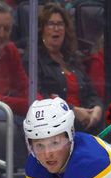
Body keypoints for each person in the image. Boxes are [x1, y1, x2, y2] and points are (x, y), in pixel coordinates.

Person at [37, 3, 102, 132]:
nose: (56, 29)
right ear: (41, 29)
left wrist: (97, 108)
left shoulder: (72, 59)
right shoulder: (35, 60)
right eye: (51, 24)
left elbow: (91, 93)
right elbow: (40, 97)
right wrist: (73, 110)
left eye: (60, 24)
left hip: (84, 121)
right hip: (55, 125)